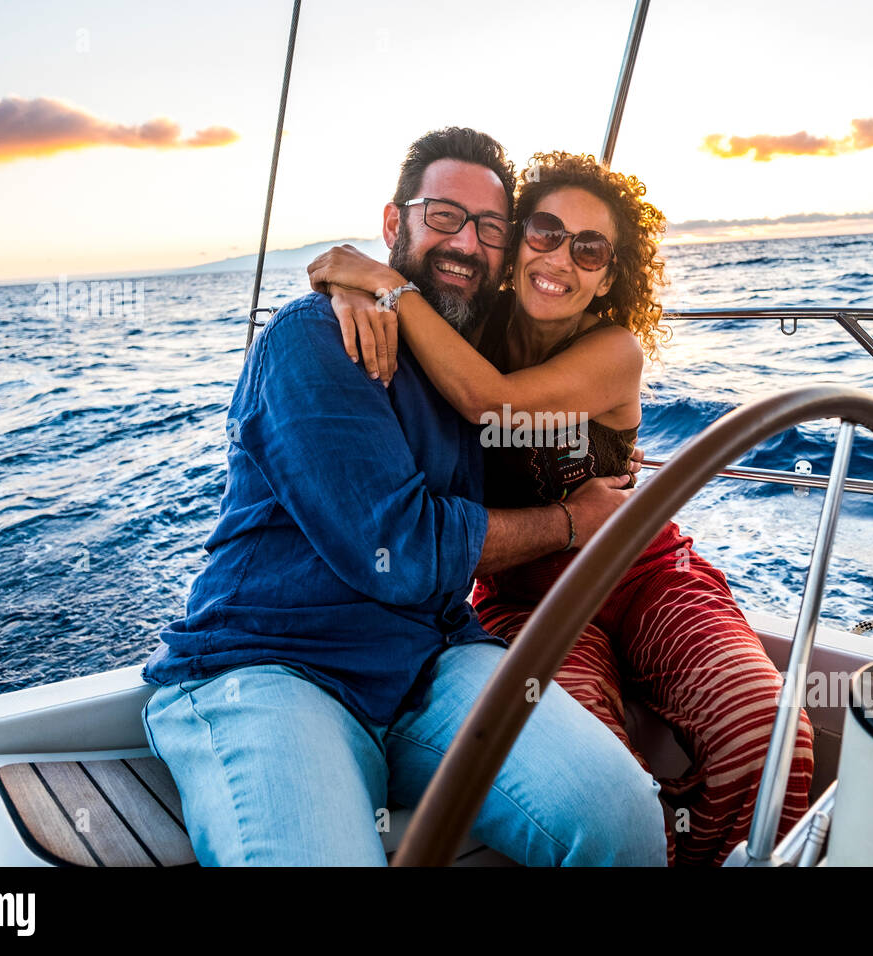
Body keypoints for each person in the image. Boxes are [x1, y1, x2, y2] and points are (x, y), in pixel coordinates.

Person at [139, 128, 668, 866]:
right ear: (395, 225)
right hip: (273, 665)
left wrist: (364, 278)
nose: (467, 244)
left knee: (623, 817)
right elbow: (403, 548)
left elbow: (510, 399)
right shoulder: (315, 339)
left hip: (431, 657)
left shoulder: (466, 353)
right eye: (444, 216)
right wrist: (568, 521)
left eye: (490, 228)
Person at [307, 150, 815, 866]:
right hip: (523, 599)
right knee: (590, 769)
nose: (561, 258)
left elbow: (489, 401)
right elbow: (369, 292)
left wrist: (385, 287)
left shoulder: (614, 351)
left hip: (646, 576)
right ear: (515, 245)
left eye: (590, 247)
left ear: (610, 274)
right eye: (544, 232)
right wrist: (349, 290)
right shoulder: (460, 330)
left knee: (768, 726)